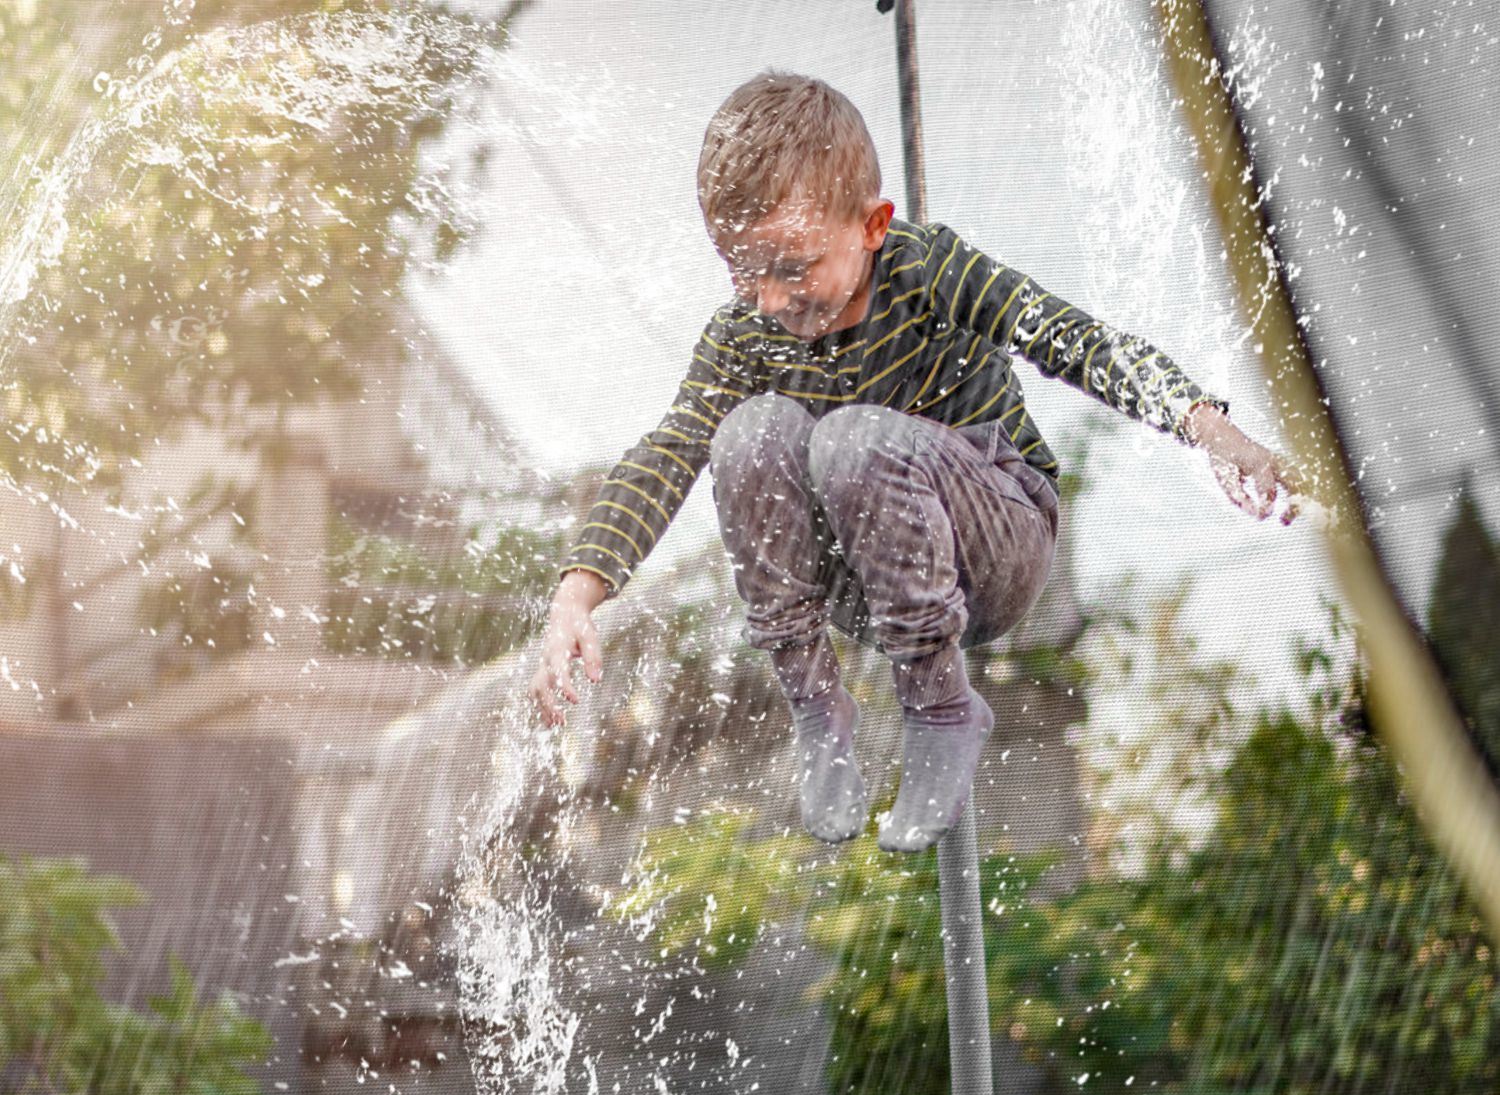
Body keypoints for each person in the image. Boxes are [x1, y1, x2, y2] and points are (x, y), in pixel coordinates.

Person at [529, 70, 1300, 853]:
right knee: (742, 433)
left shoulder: (926, 271)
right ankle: (817, 709)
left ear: (872, 226)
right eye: (742, 271)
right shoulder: (744, 337)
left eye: (792, 267)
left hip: (994, 543)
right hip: (869, 588)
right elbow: (668, 452)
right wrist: (577, 598)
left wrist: (1208, 428)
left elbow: (1070, 338)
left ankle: (942, 709)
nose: (768, 299)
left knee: (850, 438)